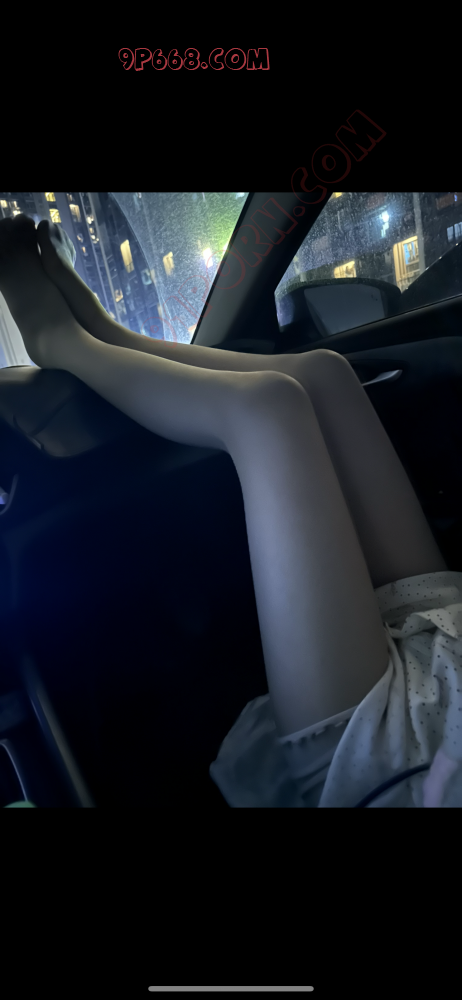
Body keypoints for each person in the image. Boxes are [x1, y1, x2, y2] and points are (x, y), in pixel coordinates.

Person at [1, 212, 461, 808]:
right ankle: (108, 336)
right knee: (327, 374)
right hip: (451, 652)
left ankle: (59, 342)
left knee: (266, 410)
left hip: (400, 768)